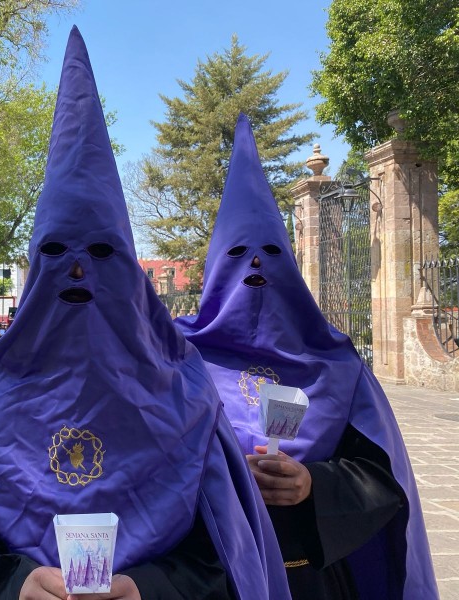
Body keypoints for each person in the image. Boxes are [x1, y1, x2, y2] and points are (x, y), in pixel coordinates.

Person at [0, 27, 290, 600]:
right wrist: (16, 584)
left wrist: (148, 588)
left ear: (130, 273)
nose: (77, 270)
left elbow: (227, 552)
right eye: (55, 253)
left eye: (100, 252)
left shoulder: (188, 394)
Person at [175, 113, 438, 599]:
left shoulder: (338, 367)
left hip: (312, 581)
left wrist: (312, 483)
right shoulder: (176, 362)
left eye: (270, 254)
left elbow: (382, 479)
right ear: (214, 268)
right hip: (211, 578)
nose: (255, 267)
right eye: (237, 256)